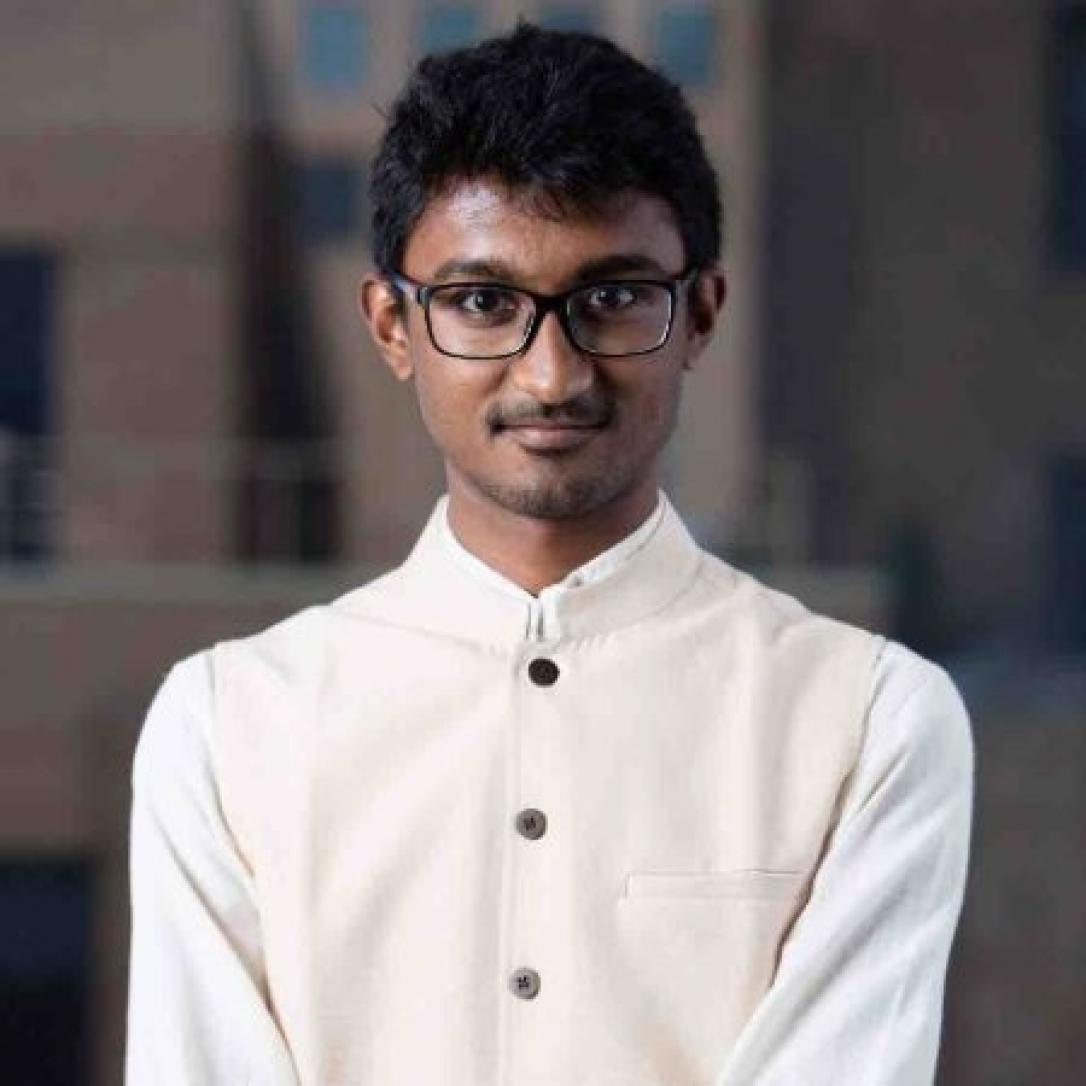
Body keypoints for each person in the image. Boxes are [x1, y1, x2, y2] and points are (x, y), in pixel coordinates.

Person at [124, 23, 974, 1086]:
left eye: (612, 298)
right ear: (391, 325)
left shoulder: (870, 722)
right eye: (484, 304)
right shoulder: (226, 727)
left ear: (701, 313)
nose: (552, 376)